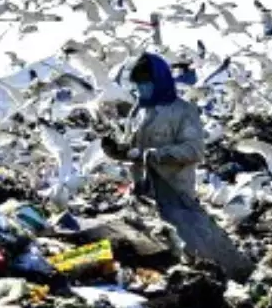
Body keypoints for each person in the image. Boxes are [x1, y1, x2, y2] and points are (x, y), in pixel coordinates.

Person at [107, 51, 254, 280]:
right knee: (142, 243)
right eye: (138, 85)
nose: (141, 90)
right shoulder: (138, 110)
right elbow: (132, 149)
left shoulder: (183, 111)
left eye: (146, 84)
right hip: (143, 191)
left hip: (174, 189)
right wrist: (117, 151)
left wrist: (157, 154)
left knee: (191, 245)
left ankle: (224, 276)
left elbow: (194, 151)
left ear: (159, 82)